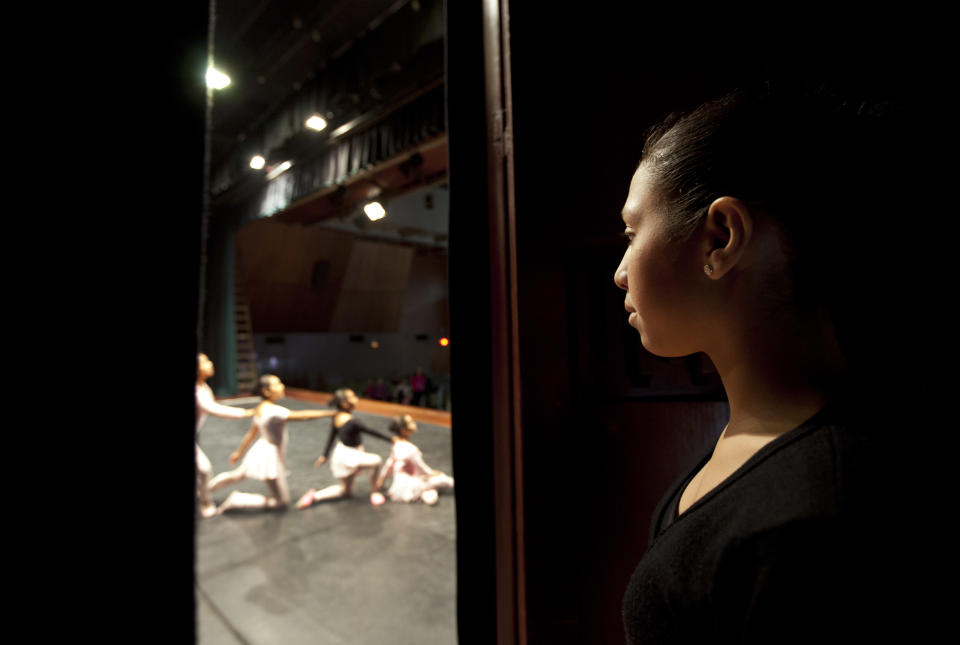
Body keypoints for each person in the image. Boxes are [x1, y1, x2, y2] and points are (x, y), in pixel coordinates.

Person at [614, 83, 931, 642]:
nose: (620, 272)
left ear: (720, 238)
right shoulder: (770, 447)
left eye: (633, 233)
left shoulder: (819, 518)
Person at [208, 374, 336, 513]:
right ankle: (237, 500)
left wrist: (239, 452)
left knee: (237, 475)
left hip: (261, 449)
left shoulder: (261, 408)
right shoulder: (274, 411)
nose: (282, 386)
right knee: (281, 502)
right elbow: (303, 415)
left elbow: (251, 433)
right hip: (269, 456)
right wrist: (330, 413)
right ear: (266, 391)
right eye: (277, 384)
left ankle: (206, 489)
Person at [295, 388, 398, 508]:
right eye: (352, 397)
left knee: (346, 492)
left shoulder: (336, 417)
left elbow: (332, 437)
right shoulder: (352, 421)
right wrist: (391, 439)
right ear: (344, 403)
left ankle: (315, 496)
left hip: (341, 454)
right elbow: (371, 431)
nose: (356, 399)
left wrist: (325, 455)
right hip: (350, 455)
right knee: (376, 461)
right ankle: (374, 491)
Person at [195, 353, 254, 518]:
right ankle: (205, 503)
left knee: (203, 470)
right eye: (205, 362)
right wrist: (246, 412)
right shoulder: (198, 392)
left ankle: (203, 496)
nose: (210, 363)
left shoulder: (204, 387)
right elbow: (213, 409)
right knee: (204, 469)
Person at [372, 414, 454, 505]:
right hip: (410, 485)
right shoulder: (411, 449)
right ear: (404, 430)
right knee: (442, 478)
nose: (414, 423)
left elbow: (389, 464)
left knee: (433, 482)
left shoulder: (397, 445)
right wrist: (433, 473)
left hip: (398, 487)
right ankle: (427, 493)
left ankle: (427, 493)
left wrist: (382, 479)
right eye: (411, 422)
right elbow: (421, 468)